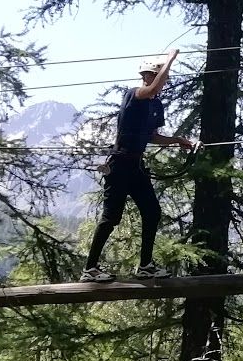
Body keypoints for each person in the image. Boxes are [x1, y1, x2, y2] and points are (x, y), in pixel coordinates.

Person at [81, 50, 194, 282]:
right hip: (120, 163)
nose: (161, 81)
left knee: (152, 212)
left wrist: (177, 140)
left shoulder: (156, 104)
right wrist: (170, 60)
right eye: (157, 75)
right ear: (147, 76)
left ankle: (145, 266)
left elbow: (152, 136)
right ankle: (89, 269)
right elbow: (151, 89)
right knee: (111, 217)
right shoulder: (134, 95)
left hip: (136, 166)